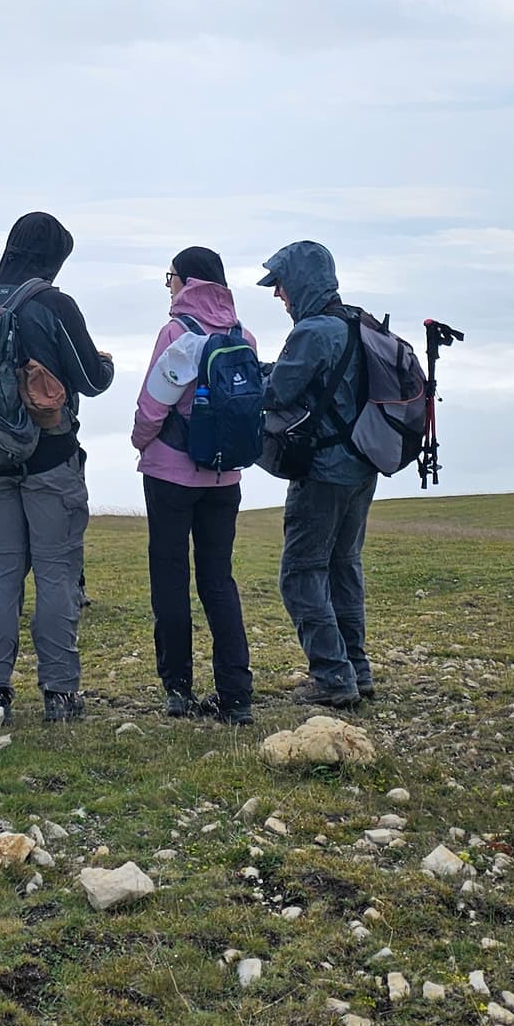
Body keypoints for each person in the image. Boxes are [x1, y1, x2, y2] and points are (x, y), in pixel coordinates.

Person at [0, 213, 115, 721]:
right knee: (56, 574)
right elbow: (92, 381)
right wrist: (106, 363)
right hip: (50, 455)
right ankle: (60, 692)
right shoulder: (52, 304)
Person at [131, 246, 257, 724]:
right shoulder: (242, 335)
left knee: (170, 577)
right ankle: (236, 694)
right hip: (226, 475)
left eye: (170, 278)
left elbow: (153, 405)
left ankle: (177, 689)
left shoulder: (177, 333)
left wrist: (140, 442)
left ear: (184, 281)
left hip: (170, 474)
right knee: (218, 579)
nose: (168, 286)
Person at [259, 241, 378, 709]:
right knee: (343, 565)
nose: (278, 294)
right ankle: (357, 669)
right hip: (363, 466)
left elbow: (278, 393)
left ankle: (332, 678)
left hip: (323, 470)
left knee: (301, 572)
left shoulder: (313, 332)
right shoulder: (358, 322)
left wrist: (250, 375)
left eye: (281, 283)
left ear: (301, 282)